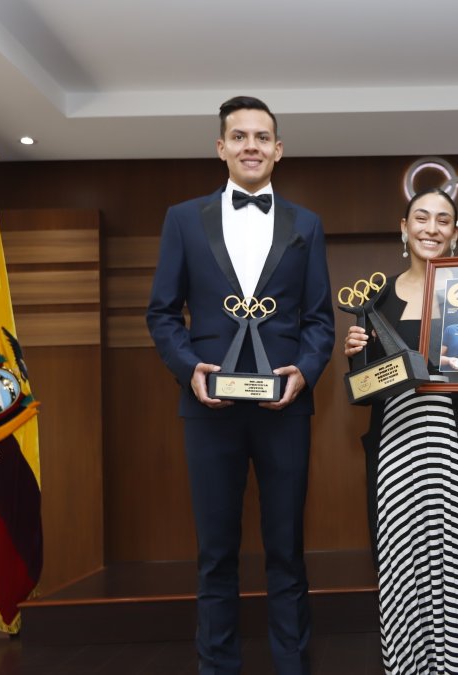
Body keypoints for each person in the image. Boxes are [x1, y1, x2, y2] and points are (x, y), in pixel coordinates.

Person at [146, 95, 334, 675]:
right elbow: (161, 313)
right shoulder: (183, 219)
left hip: (285, 407)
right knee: (215, 554)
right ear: (221, 148)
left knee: (287, 552)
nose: (251, 145)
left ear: (279, 150)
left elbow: (319, 320)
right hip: (208, 407)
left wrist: (306, 370)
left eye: (262, 137)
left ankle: (293, 666)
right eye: (239, 136)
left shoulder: (307, 224)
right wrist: (188, 368)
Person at [344, 188, 458, 674]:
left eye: (443, 220)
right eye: (421, 218)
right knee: (405, 572)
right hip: (399, 456)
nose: (431, 228)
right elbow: (366, 389)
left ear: (455, 233)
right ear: (404, 228)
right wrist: (355, 354)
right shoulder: (374, 299)